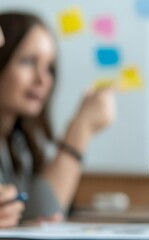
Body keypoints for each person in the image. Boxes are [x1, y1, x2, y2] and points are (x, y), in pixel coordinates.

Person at [0, 12, 116, 227]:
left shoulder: (19, 143)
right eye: (27, 61)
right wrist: (81, 128)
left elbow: (35, 216)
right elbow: (40, 212)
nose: (42, 79)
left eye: (49, 68)